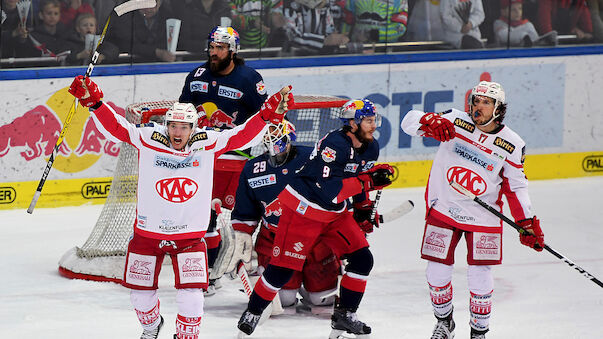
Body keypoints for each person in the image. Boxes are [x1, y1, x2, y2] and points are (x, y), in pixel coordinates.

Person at [68, 75, 292, 339]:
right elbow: (117, 129)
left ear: (193, 127)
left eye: (183, 127)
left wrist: (265, 116)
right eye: (173, 126)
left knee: (192, 296)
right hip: (147, 234)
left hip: (189, 236)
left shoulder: (207, 141)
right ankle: (152, 328)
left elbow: (240, 137)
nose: (177, 132)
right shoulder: (149, 138)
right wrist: (94, 103)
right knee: (140, 296)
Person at [236, 99, 395, 338]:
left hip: (334, 214)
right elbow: (331, 190)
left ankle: (346, 314)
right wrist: (369, 181)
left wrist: (363, 207)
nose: (373, 126)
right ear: (352, 123)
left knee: (363, 260)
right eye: (368, 121)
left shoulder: (371, 147)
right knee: (281, 271)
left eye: (375, 120)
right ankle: (253, 311)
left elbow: (358, 177)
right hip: (303, 210)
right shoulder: (333, 145)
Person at [400, 81, 545, 339]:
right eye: (476, 101)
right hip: (444, 207)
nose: (479, 106)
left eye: (486, 102)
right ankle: (445, 323)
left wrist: (527, 222)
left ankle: (478, 333)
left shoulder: (512, 143)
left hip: (483, 217)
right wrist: (429, 120)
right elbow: (408, 123)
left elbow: (516, 186)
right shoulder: (454, 120)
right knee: (436, 269)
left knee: (479, 275)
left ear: (498, 108)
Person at [179, 25, 268, 295]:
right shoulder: (196, 75)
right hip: (204, 158)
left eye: (220, 48)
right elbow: (182, 111)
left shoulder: (250, 79)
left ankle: (254, 266)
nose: (214, 52)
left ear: (233, 50)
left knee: (245, 217)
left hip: (239, 160)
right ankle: (208, 271)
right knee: (202, 216)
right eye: (212, 47)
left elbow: (264, 119)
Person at [229, 120, 341, 312]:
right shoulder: (252, 169)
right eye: (268, 143)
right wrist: (242, 238)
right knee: (284, 299)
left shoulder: (313, 158)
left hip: (313, 237)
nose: (274, 149)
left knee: (322, 300)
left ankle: (309, 288)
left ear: (290, 139)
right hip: (275, 239)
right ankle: (293, 288)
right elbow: (245, 211)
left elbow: (337, 192)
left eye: (279, 142)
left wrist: (346, 231)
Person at [107, 0, 177, 62]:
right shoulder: (123, 12)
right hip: (126, 64)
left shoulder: (167, 14)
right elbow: (124, 44)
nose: (149, 9)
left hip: (158, 65)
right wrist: (155, 52)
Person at [280, 0, 349, 56]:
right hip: (292, 58)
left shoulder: (324, 5)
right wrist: (324, 41)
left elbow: (328, 30)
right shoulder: (288, 6)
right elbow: (293, 37)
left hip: (319, 58)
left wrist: (336, 39)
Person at [342, 0, 409, 44]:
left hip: (384, 51)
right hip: (358, 49)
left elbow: (400, 28)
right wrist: (344, 41)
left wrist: (371, 35)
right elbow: (347, 22)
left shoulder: (399, 1)